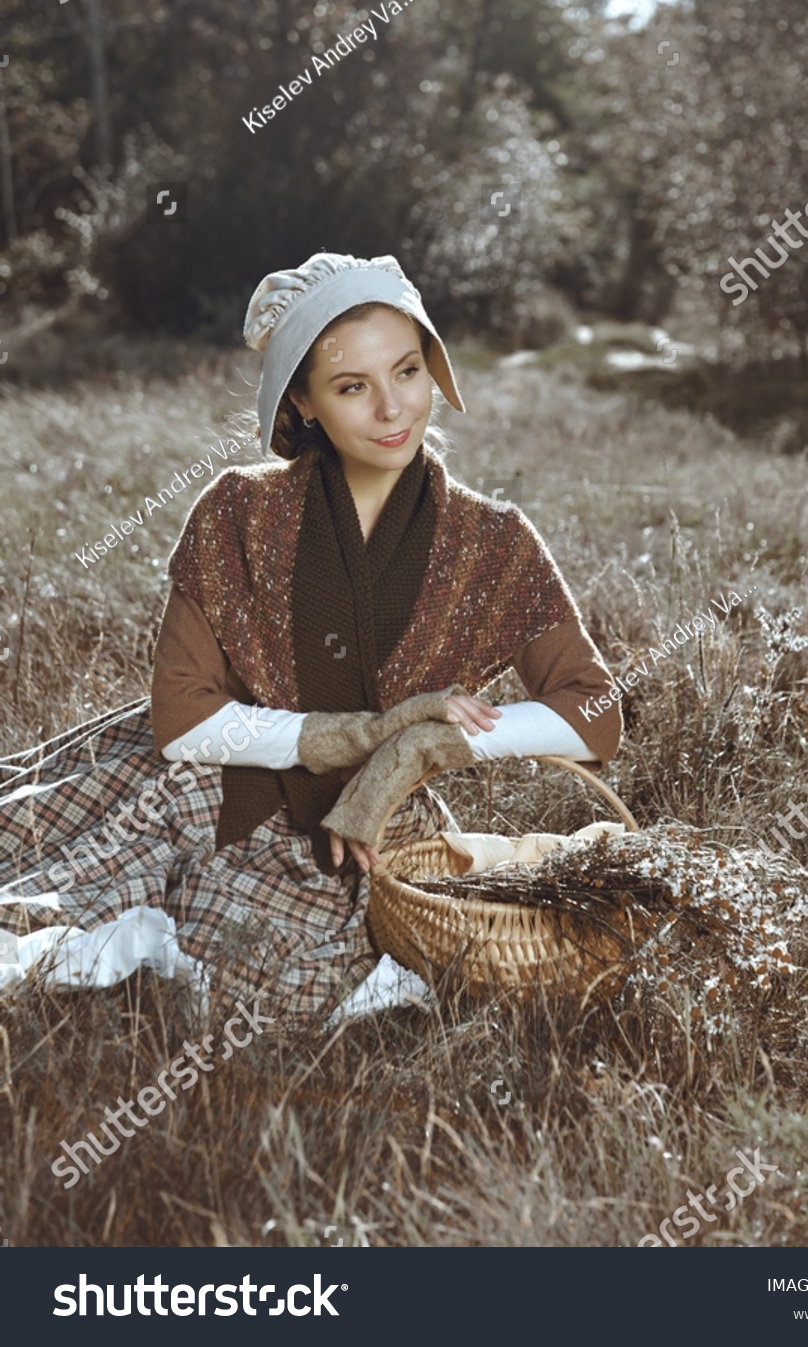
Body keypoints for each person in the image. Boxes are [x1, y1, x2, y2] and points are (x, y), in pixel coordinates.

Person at [0, 254, 622, 1023]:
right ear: (304, 399)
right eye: (353, 387)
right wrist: (352, 732)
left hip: (375, 819)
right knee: (48, 888)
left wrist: (415, 749)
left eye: (407, 371)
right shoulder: (237, 512)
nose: (393, 410)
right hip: (218, 771)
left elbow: (593, 713)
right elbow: (183, 718)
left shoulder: (494, 541)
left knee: (296, 975)